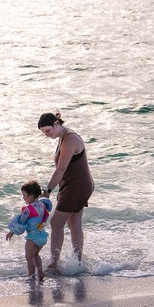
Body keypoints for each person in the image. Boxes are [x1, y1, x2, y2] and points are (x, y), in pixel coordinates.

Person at [37, 111, 94, 270]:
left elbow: (61, 169)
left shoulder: (70, 139)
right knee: (74, 223)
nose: (47, 135)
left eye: (48, 131)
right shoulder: (62, 137)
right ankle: (77, 263)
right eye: (44, 133)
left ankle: (54, 264)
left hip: (77, 186)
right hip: (73, 184)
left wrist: (48, 190)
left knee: (56, 223)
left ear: (56, 123)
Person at [6, 180, 52, 281]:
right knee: (36, 255)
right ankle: (40, 272)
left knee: (29, 257)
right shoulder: (42, 205)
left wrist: (11, 232)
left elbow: (21, 223)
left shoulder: (28, 209)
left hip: (32, 237)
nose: (23, 198)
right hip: (42, 236)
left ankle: (31, 277)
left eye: (24, 195)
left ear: (31, 195)